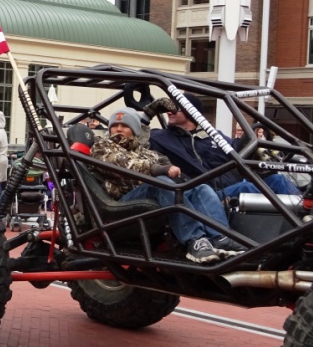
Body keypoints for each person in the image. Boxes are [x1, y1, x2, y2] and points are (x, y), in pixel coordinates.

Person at [91, 108, 244, 264]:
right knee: (161, 182)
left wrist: (175, 172)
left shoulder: (146, 152)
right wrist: (156, 169)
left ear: (135, 129)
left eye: (124, 126)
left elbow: (167, 165)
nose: (118, 129)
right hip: (120, 202)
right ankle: (195, 240)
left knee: (200, 189)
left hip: (149, 193)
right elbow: (120, 163)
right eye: (114, 126)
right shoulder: (102, 146)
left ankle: (220, 237)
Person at [146, 92, 301, 198]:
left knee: (277, 180)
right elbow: (136, 140)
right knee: (248, 188)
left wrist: (258, 150)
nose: (169, 112)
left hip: (233, 185)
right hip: (207, 192)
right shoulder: (161, 137)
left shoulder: (215, 136)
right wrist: (147, 115)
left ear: (191, 112)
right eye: (168, 109)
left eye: (175, 109)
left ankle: (305, 218)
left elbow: (239, 149)